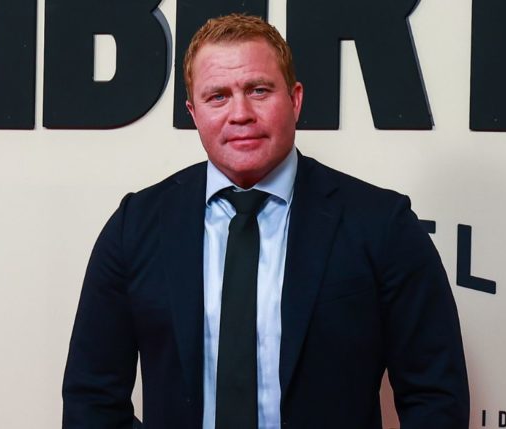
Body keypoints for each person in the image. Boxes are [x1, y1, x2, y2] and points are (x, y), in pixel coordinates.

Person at [62, 14, 469, 429]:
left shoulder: (382, 225)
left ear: (294, 99)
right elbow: (92, 396)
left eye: (258, 90)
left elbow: (435, 395)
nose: (240, 114)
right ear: (193, 112)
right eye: (217, 96)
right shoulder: (136, 226)